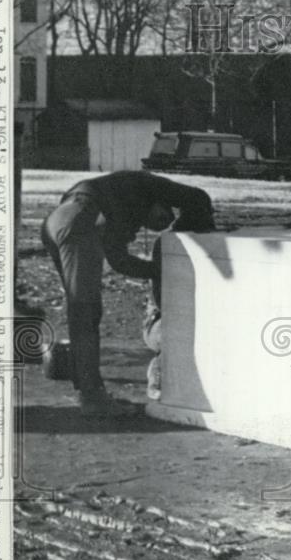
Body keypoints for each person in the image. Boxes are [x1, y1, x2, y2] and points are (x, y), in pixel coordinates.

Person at [41, 171, 215, 417]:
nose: (159, 225)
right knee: (85, 312)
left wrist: (157, 271)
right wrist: (200, 232)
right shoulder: (147, 186)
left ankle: (86, 386)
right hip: (80, 220)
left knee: (82, 310)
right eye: (163, 218)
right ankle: (92, 398)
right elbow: (198, 197)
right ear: (160, 201)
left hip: (57, 220)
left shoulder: (121, 197)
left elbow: (120, 261)